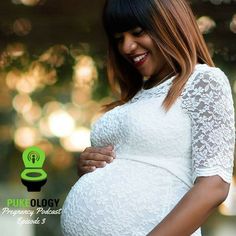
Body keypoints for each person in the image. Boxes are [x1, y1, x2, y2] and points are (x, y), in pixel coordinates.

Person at [61, 0, 235, 235]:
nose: (127, 47)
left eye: (137, 33)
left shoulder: (203, 82)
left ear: (170, 23)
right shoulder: (137, 98)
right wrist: (89, 168)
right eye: (119, 38)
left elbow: (214, 186)